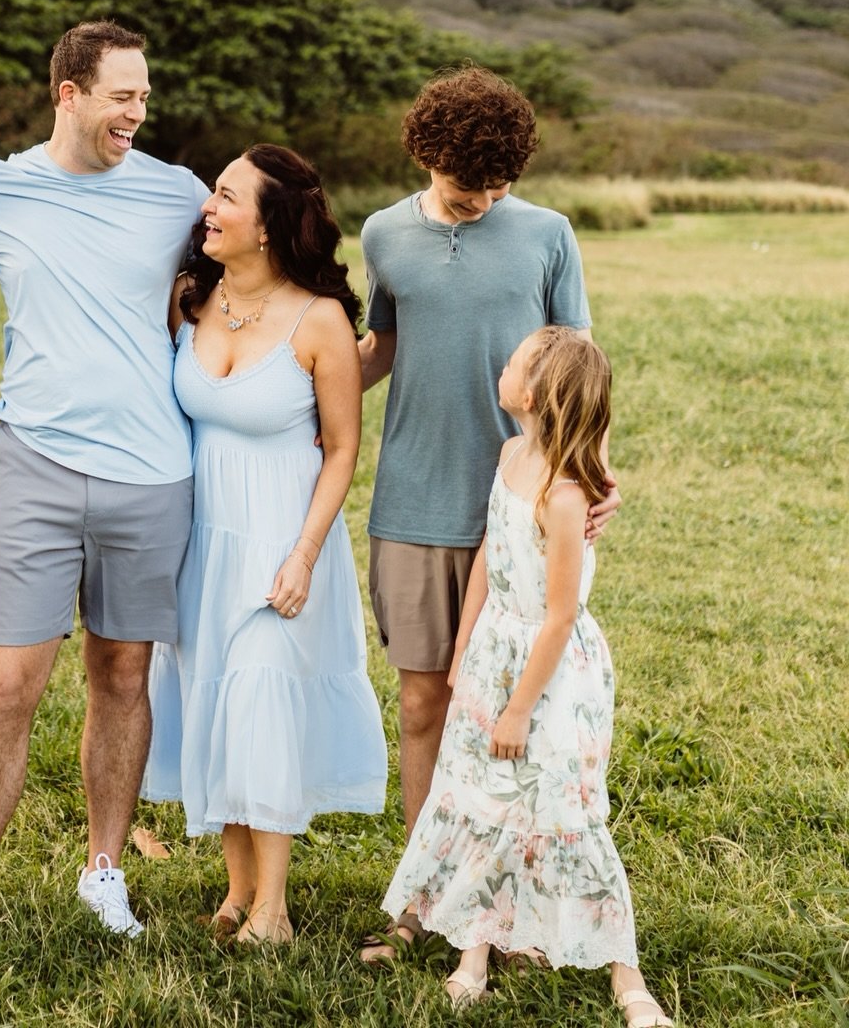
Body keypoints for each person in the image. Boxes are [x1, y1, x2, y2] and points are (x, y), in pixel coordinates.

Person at [0, 20, 207, 964]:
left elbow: (252, 279)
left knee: (122, 675)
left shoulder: (179, 194)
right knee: (10, 684)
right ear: (69, 94)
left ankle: (104, 871)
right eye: (122, 95)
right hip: (35, 466)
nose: (139, 111)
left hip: (152, 474)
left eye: (143, 95)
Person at [357, 64, 616, 966]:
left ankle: (509, 911)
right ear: (429, 157)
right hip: (414, 505)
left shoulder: (548, 233)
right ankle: (425, 899)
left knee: (518, 712)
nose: (486, 200)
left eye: (500, 185)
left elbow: (581, 364)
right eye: (471, 188)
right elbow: (380, 345)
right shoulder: (384, 233)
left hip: (523, 507)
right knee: (429, 702)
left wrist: (598, 474)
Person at [383, 329, 673, 1026]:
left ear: (534, 393)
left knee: (565, 810)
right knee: (486, 803)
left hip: (549, 676)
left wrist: (517, 710)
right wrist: (461, 650)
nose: (502, 367)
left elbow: (560, 616)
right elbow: (488, 550)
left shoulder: (567, 497)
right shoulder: (512, 454)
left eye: (512, 363)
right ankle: (474, 951)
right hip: (492, 654)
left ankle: (627, 977)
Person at [142, 145, 388, 945]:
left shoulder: (318, 318)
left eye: (226, 197)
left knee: (262, 702)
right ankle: (237, 887)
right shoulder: (190, 301)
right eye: (213, 194)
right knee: (212, 699)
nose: (208, 209)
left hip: (281, 537)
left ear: (270, 225)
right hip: (198, 540)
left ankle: (275, 908)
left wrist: (304, 554)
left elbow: (344, 448)